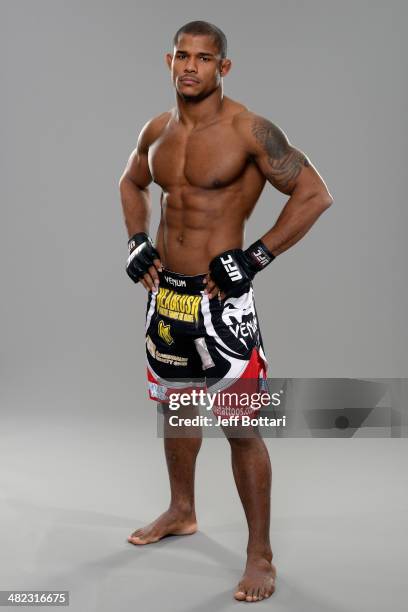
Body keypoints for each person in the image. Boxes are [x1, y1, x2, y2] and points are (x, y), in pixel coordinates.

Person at [119, 20, 333, 603]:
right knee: (178, 410)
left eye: (204, 58)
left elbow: (315, 192)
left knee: (240, 426)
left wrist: (257, 255)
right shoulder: (157, 130)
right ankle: (182, 510)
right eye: (182, 56)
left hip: (223, 304)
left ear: (223, 67)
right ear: (169, 61)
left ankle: (259, 552)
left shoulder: (249, 130)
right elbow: (130, 183)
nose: (191, 66)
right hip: (168, 300)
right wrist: (138, 240)